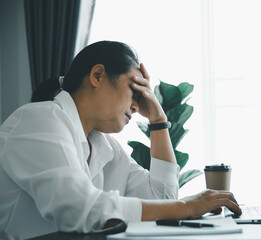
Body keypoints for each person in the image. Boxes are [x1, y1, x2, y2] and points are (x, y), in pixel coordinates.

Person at [0, 41, 241, 239]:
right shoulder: (39, 119)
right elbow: (79, 209)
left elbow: (162, 201)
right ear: (97, 75)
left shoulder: (107, 148)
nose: (138, 106)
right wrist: (187, 208)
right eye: (134, 90)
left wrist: (158, 120)